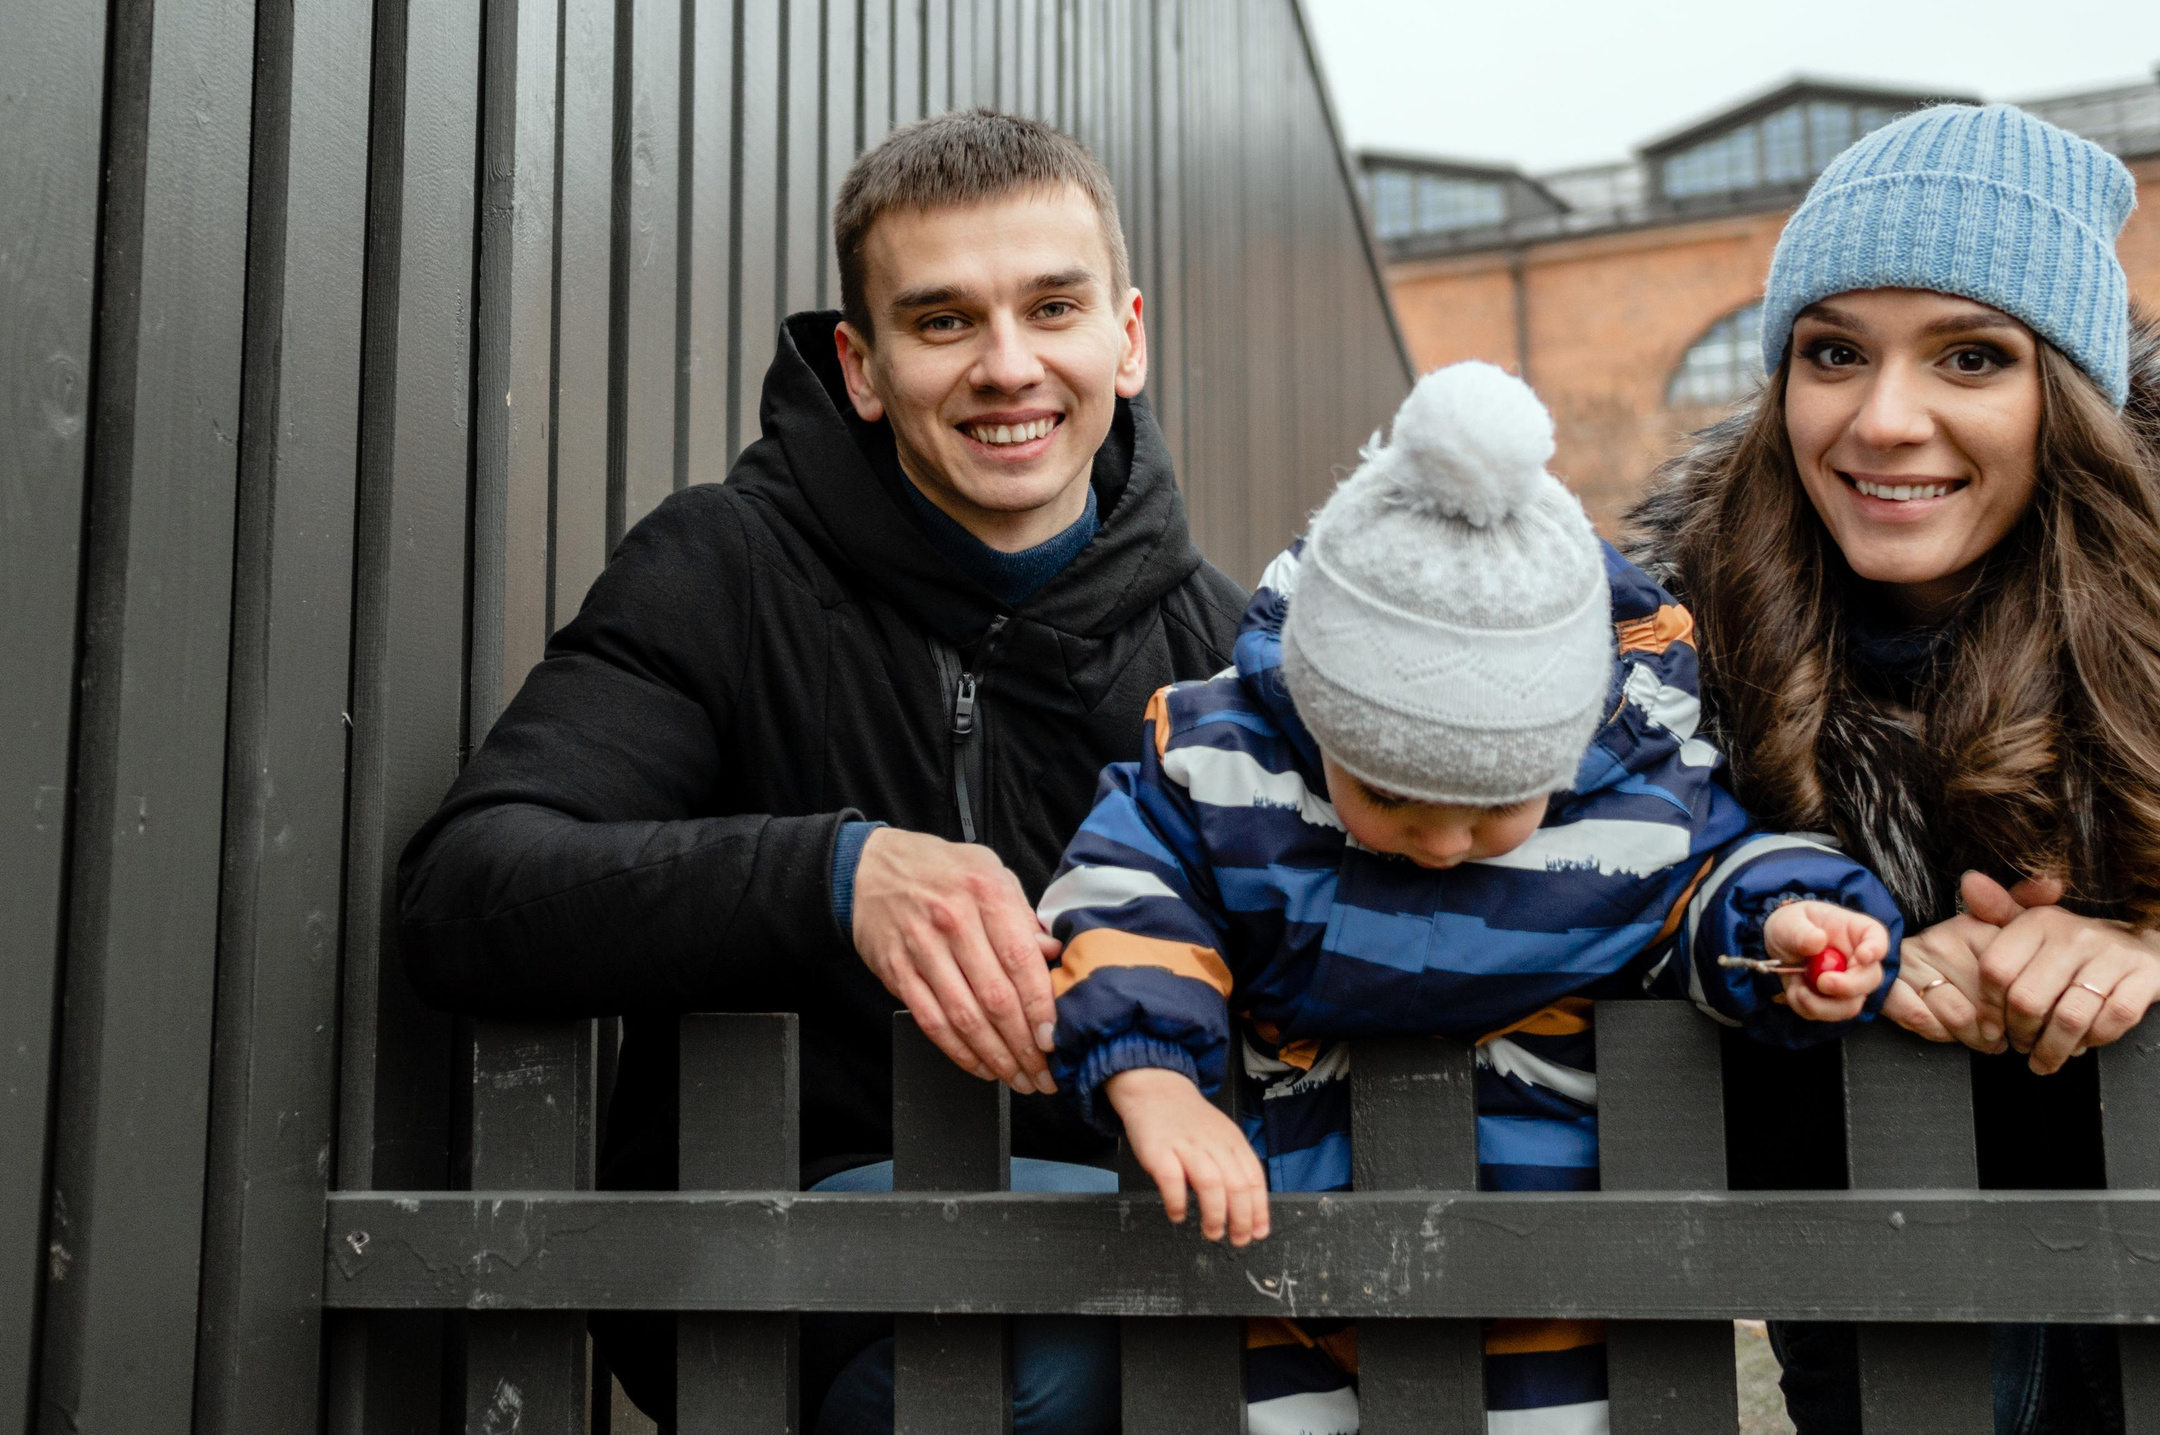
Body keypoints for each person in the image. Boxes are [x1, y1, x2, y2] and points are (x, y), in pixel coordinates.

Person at [1624, 104, 2160, 1435]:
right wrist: (1833, 986)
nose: (1884, 417)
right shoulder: (1671, 692)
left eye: (1970, 356)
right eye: (1832, 352)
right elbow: (1602, 1089)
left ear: (2069, 395)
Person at [397, 109, 1248, 1432]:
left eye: (1053, 306)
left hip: (1139, 1244)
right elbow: (469, 890)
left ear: (1125, 336)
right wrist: (834, 871)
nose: (1010, 366)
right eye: (945, 320)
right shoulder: (723, 569)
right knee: (1052, 1351)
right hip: (786, 1242)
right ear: (862, 363)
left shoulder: (1225, 649)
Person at [1039, 362, 1903, 1435]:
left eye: (1500, 806)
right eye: (1390, 794)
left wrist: (1784, 925)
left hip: (1547, 1276)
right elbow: (1129, 887)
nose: (1443, 842)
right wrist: (1151, 1074)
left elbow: (1712, 876)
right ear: (1315, 719)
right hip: (1269, 1259)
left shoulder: (1631, 800)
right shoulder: (1231, 776)